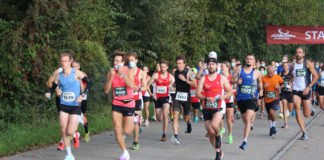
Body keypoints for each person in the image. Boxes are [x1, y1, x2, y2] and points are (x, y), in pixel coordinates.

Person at [45, 52, 89, 160]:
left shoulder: (77, 73)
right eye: (62, 61)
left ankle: (75, 135)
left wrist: (82, 95)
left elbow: (88, 83)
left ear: (70, 61)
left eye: (66, 61)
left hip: (75, 106)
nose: (63, 63)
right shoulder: (59, 75)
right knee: (63, 129)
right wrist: (50, 92)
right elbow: (54, 85)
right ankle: (69, 154)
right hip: (63, 104)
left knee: (70, 131)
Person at [196, 57, 233, 160]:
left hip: (219, 106)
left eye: (213, 64)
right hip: (207, 107)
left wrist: (222, 97)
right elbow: (197, 93)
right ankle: (219, 151)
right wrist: (205, 97)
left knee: (214, 125)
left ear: (217, 66)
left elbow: (230, 91)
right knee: (210, 132)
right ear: (207, 66)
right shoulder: (204, 78)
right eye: (209, 64)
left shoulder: (221, 78)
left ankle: (218, 135)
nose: (211, 66)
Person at [104, 51, 136, 160]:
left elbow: (132, 85)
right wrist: (111, 77)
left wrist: (123, 75)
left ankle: (136, 119)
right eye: (114, 61)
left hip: (129, 103)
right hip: (116, 103)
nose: (115, 63)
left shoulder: (129, 71)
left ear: (123, 62)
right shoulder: (111, 72)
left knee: (128, 131)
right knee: (117, 129)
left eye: (118, 61)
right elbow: (106, 90)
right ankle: (125, 152)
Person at [232, 54, 263, 150]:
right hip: (241, 99)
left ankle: (244, 141)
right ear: (245, 60)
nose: (249, 61)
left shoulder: (256, 72)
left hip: (251, 98)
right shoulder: (239, 70)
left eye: (251, 59)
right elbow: (232, 80)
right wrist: (237, 82)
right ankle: (248, 128)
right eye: (248, 59)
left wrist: (260, 93)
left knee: (248, 119)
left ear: (254, 61)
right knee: (245, 121)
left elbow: (260, 82)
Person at [290, 47, 318, 140]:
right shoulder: (292, 65)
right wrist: (290, 85)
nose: (298, 54)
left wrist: (309, 87)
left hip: (305, 90)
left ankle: (310, 109)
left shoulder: (307, 63)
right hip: (295, 90)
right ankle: (304, 132)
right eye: (297, 52)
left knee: (306, 114)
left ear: (303, 54)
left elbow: (315, 76)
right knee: (297, 108)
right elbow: (291, 77)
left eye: (300, 52)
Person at [147, 60, 174, 141]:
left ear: (167, 67)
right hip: (157, 98)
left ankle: (164, 134)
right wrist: (152, 94)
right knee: (159, 118)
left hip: (166, 97)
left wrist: (171, 86)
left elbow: (174, 88)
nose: (162, 69)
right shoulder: (155, 75)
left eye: (164, 67)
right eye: (161, 67)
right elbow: (148, 85)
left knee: (165, 114)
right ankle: (166, 115)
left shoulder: (171, 77)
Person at [171, 55, 196, 145]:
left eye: (180, 63)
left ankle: (189, 123)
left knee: (186, 117)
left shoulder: (189, 72)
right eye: (177, 63)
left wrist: (185, 80)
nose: (178, 65)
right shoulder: (176, 72)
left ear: (184, 64)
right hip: (177, 96)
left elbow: (195, 84)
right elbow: (176, 81)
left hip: (186, 97)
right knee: (175, 115)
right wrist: (173, 85)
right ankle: (176, 136)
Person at [128, 52, 147, 150]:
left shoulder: (141, 73)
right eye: (129, 60)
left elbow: (145, 87)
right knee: (128, 121)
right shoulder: (125, 71)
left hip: (136, 99)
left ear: (136, 60)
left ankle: (135, 142)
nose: (130, 62)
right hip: (126, 99)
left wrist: (138, 88)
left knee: (135, 121)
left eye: (132, 60)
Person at [72, 61, 91, 142]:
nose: (74, 68)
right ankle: (75, 133)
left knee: (83, 116)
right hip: (74, 98)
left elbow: (85, 87)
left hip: (82, 98)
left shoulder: (82, 74)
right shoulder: (70, 74)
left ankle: (86, 132)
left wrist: (79, 80)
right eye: (72, 66)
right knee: (74, 116)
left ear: (79, 67)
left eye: (76, 66)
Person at [262, 65, 283, 137]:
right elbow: (259, 87)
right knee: (269, 114)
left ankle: (274, 126)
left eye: (271, 73)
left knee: (272, 111)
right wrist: (263, 86)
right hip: (267, 99)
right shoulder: (263, 78)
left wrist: (279, 87)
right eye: (268, 72)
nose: (270, 74)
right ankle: (271, 128)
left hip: (275, 98)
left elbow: (282, 84)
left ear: (274, 72)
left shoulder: (277, 77)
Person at [221, 62, 235, 144]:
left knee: (229, 119)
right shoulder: (219, 77)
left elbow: (232, 89)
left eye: (223, 66)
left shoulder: (231, 78)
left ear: (227, 68)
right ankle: (221, 131)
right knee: (220, 117)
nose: (221, 68)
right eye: (221, 66)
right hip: (221, 99)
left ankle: (230, 135)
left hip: (229, 99)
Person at [280, 62, 293, 128]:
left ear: (289, 66)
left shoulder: (291, 73)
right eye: (284, 66)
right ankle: (286, 123)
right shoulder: (281, 73)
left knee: (290, 109)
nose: (285, 67)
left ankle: (289, 111)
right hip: (283, 92)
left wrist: (291, 86)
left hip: (290, 92)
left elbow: (294, 81)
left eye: (286, 66)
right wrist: (280, 86)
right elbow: (279, 81)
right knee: (284, 104)